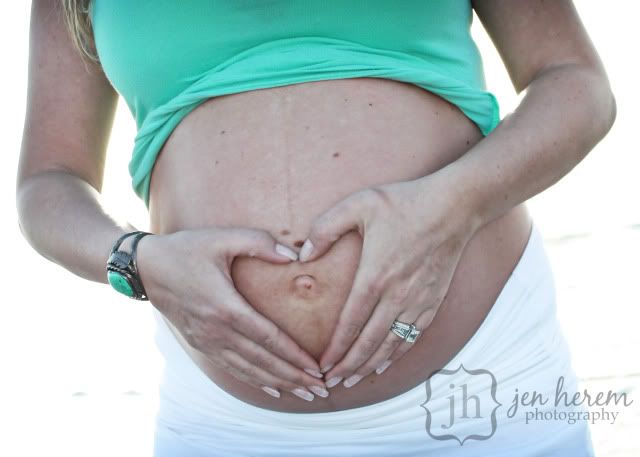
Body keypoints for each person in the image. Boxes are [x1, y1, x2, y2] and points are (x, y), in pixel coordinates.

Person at [17, 0, 615, 455]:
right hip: (226, 426)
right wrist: (135, 261)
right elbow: (48, 180)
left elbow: (576, 83)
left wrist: (449, 209)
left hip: (484, 392)